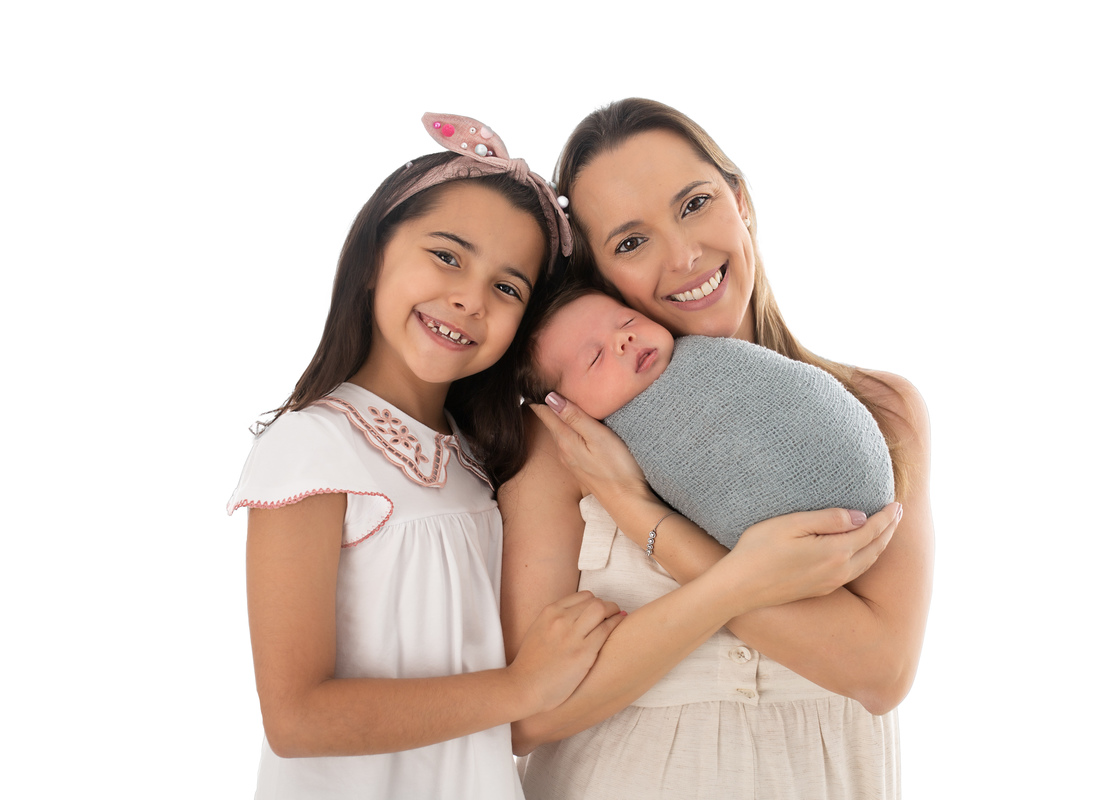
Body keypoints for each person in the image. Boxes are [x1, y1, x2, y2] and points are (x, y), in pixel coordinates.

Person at [499, 99, 933, 799]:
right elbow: (524, 717)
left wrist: (642, 517)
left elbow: (881, 673)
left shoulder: (880, 411)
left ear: (742, 203)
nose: (683, 256)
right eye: (631, 242)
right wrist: (739, 581)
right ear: (601, 274)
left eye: (695, 204)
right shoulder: (566, 437)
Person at [225, 113, 628, 799]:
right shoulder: (313, 446)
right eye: (447, 256)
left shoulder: (478, 459)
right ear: (373, 256)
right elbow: (296, 718)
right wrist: (521, 687)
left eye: (507, 288)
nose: (470, 298)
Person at [518, 287, 895, 550]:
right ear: (562, 405)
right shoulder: (573, 456)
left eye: (627, 321)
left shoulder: (712, 356)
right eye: (595, 357)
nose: (623, 340)